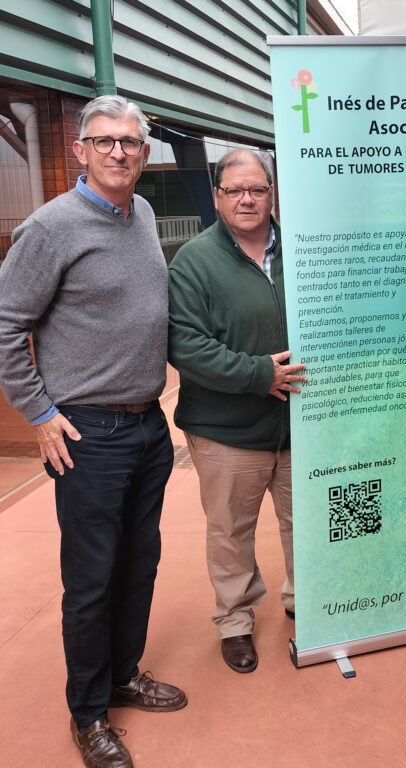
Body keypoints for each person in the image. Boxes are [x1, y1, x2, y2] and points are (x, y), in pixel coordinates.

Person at [0, 95, 186, 768]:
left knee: (140, 563)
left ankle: (123, 675)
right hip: (88, 436)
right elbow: (5, 325)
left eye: (129, 141)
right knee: (92, 580)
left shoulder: (141, 214)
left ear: (144, 152)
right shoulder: (51, 228)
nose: (118, 151)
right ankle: (88, 714)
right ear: (79, 150)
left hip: (147, 425)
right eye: (104, 141)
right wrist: (39, 412)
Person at [168, 148, 306, 674]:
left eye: (258, 189)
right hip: (226, 431)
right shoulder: (194, 260)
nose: (247, 199)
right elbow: (185, 345)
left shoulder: (303, 249)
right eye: (235, 190)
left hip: (302, 425)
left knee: (306, 523)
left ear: (272, 194)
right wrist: (257, 374)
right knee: (231, 532)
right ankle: (235, 621)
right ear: (218, 196)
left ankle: (306, 599)